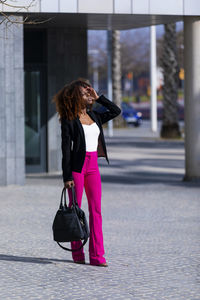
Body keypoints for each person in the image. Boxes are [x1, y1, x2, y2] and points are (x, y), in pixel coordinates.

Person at [53, 78, 121, 267]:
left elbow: (116, 111)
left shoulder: (95, 116)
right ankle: (77, 253)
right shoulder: (69, 120)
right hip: (77, 168)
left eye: (89, 92)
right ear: (76, 97)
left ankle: (97, 255)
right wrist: (67, 177)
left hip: (93, 168)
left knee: (96, 210)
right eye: (85, 93)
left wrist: (99, 98)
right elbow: (65, 149)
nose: (89, 95)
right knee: (75, 209)